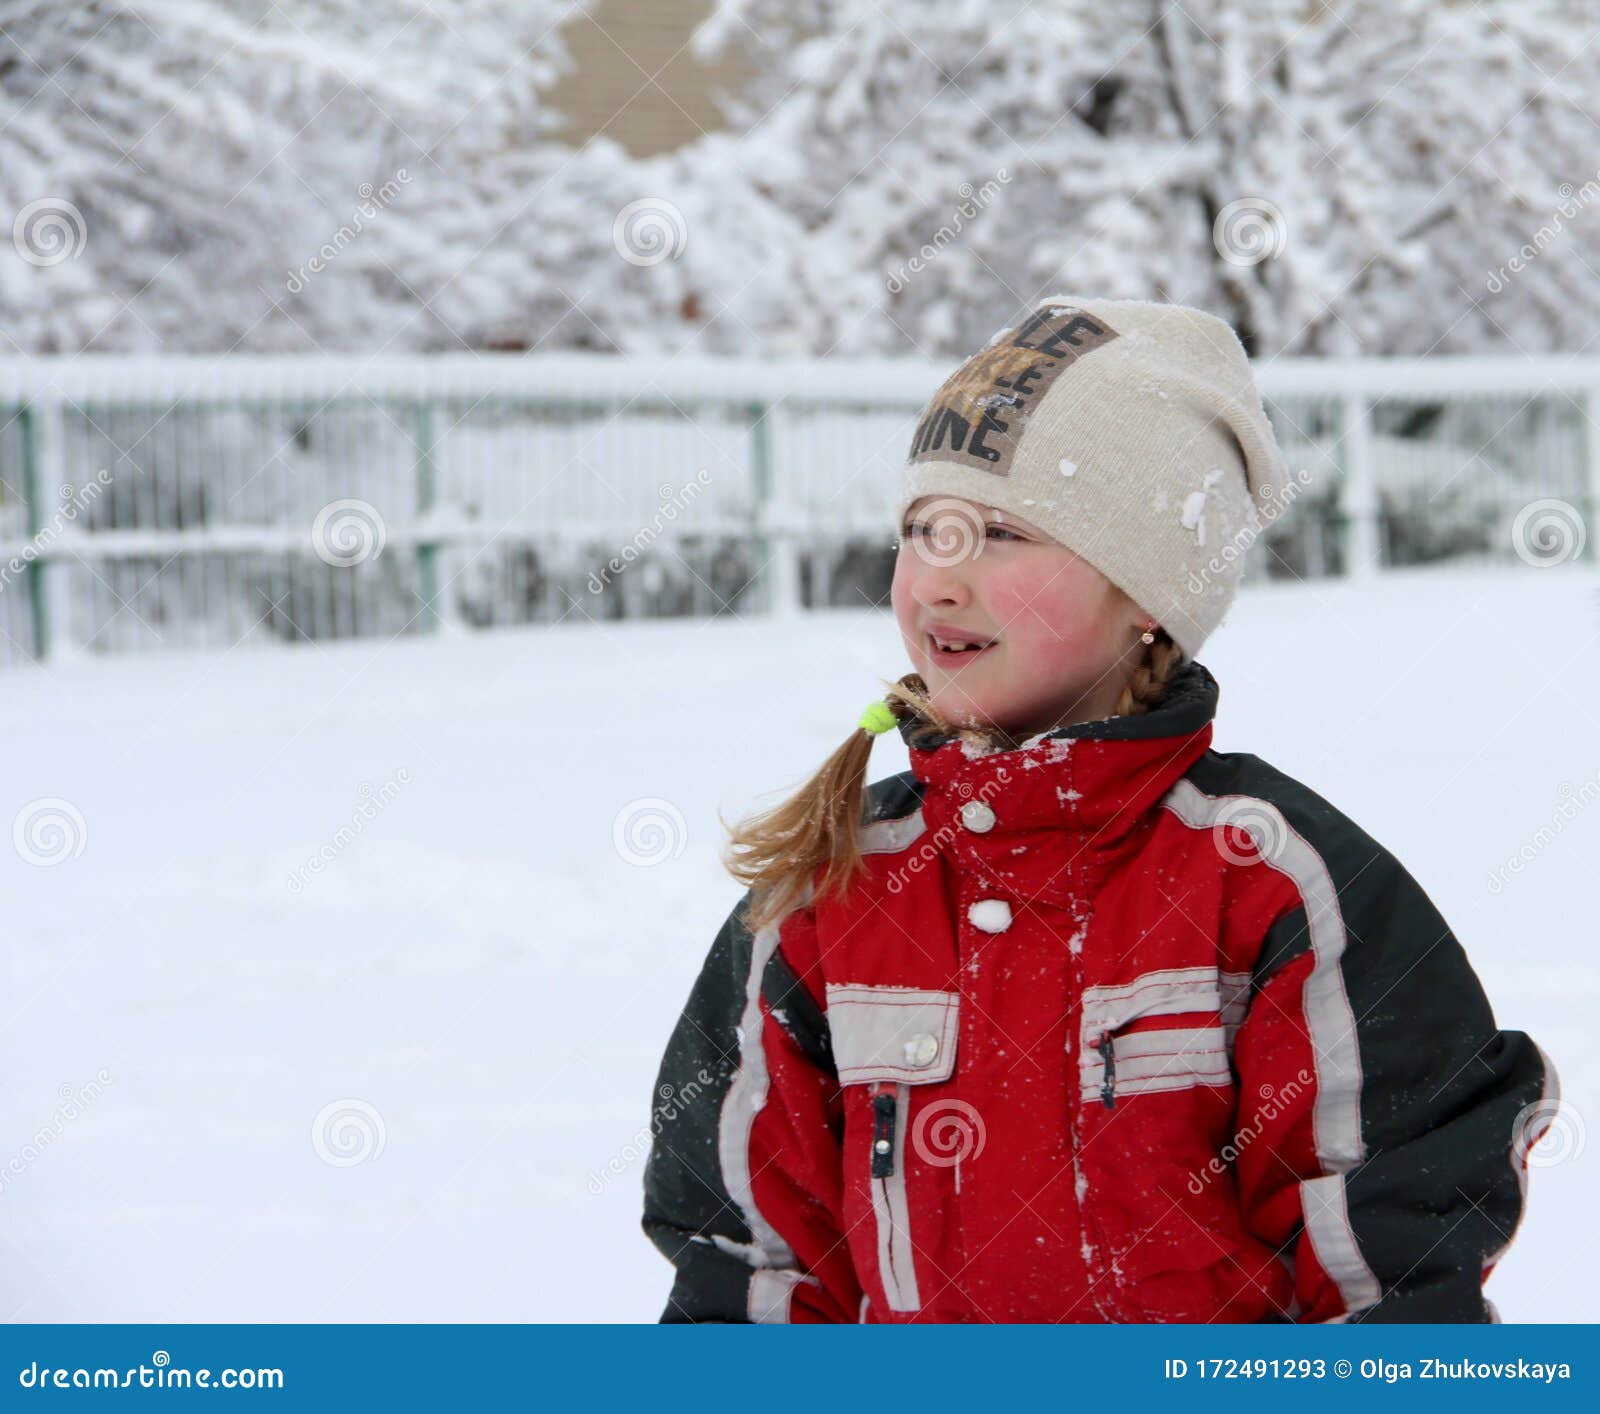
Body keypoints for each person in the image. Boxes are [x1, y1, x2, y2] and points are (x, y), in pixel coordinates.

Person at [640, 294, 1560, 1323]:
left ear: (1146, 597)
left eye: (1000, 533)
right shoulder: (829, 893)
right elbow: (750, 1269)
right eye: (921, 531)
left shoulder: (1270, 884)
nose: (939, 579)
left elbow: (1386, 1267)